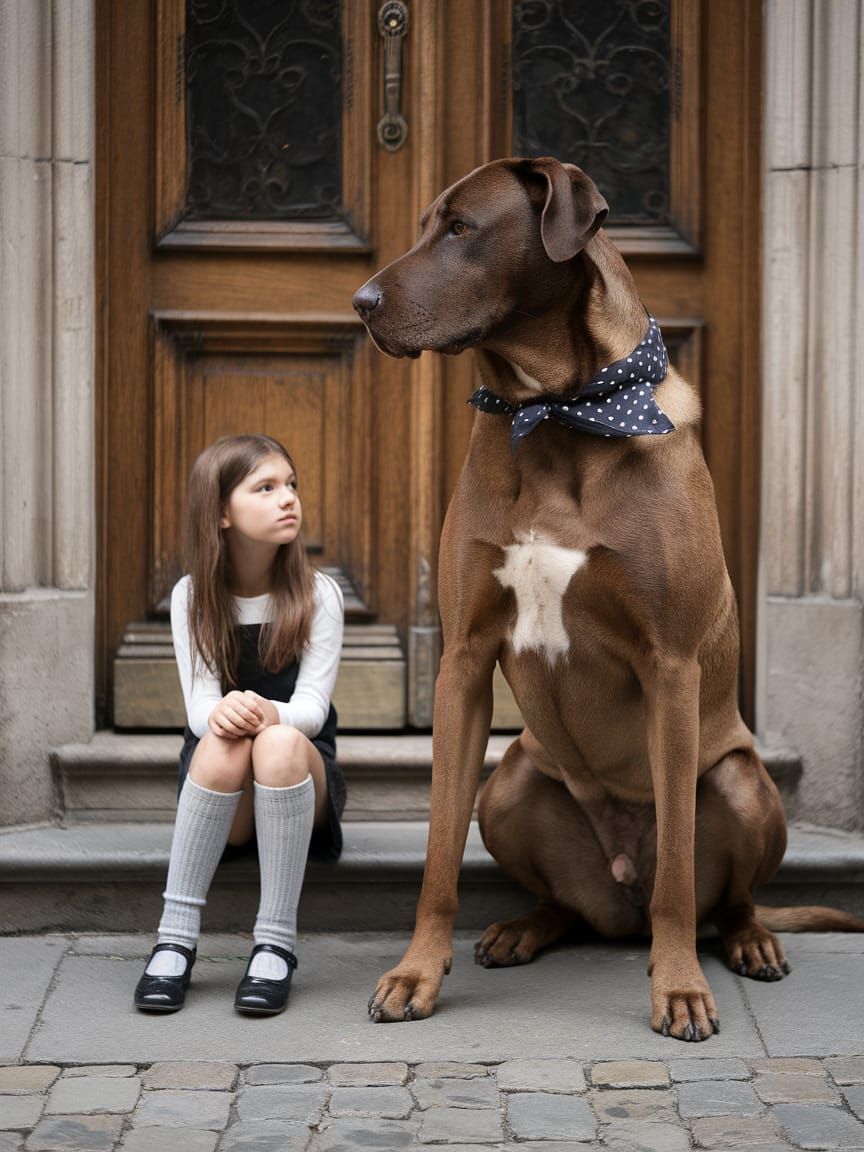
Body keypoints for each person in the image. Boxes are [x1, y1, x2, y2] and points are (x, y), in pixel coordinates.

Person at [134, 434, 345, 1015]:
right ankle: (175, 936)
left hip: (298, 771)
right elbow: (199, 708)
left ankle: (274, 943)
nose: (289, 500)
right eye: (267, 488)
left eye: (292, 485)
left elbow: (313, 708)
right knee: (223, 738)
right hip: (224, 785)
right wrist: (224, 714)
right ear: (222, 513)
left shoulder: (319, 594)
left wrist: (266, 715)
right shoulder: (194, 596)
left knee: (276, 742)